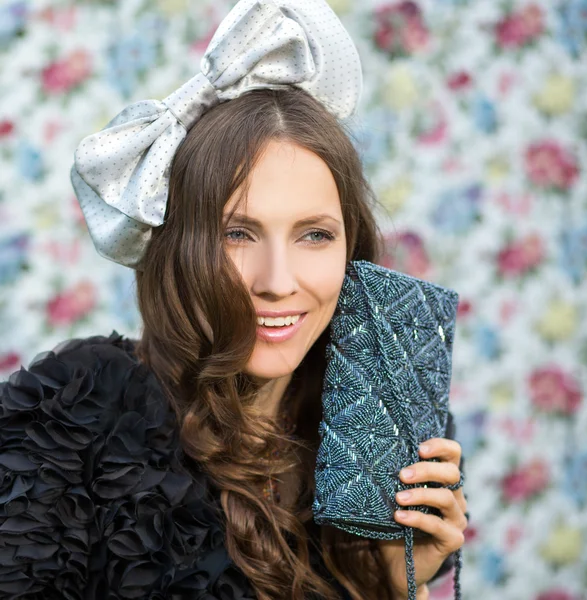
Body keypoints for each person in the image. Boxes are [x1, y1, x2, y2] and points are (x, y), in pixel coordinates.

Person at [0, 1, 468, 599]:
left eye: (315, 235)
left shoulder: (385, 437)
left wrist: (400, 583)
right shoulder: (77, 415)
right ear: (181, 246)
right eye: (238, 234)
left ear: (352, 248)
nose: (278, 281)